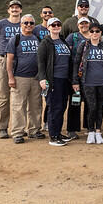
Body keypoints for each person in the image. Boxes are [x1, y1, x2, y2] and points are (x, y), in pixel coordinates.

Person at [72, 22, 103, 144]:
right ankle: (90, 132)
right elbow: (76, 63)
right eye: (92, 31)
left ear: (100, 33)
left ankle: (98, 132)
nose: (94, 33)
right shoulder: (84, 45)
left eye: (97, 31)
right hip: (88, 82)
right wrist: (75, 81)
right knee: (92, 107)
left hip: (102, 82)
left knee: (100, 107)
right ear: (89, 33)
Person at [5, 13, 42, 144]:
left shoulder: (38, 39)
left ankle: (34, 130)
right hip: (20, 77)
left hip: (36, 78)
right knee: (18, 106)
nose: (28, 25)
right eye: (26, 23)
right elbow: (9, 60)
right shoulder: (15, 39)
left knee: (36, 105)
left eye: (31, 23)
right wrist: (10, 77)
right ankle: (18, 133)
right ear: (21, 24)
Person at [0, 0, 22, 139]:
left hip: (20, 62)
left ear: (21, 10)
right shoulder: (0, 24)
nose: (14, 9)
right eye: (12, 7)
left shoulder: (25, 24)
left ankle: (19, 127)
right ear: (8, 10)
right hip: (3, 60)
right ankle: (2, 127)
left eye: (17, 7)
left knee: (20, 96)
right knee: (4, 96)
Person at [37, 17, 73, 146]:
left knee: (62, 106)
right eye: (53, 25)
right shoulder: (45, 43)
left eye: (58, 24)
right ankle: (53, 136)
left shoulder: (63, 41)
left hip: (64, 79)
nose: (56, 27)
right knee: (54, 107)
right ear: (48, 27)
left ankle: (58, 132)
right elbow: (41, 62)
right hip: (53, 79)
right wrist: (42, 79)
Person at [64, 17, 92, 139]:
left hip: (90, 76)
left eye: (86, 23)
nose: (84, 25)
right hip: (76, 75)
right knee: (75, 102)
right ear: (78, 25)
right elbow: (67, 53)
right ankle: (72, 129)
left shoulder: (94, 36)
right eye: (81, 23)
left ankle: (89, 126)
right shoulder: (73, 37)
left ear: (89, 24)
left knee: (90, 102)